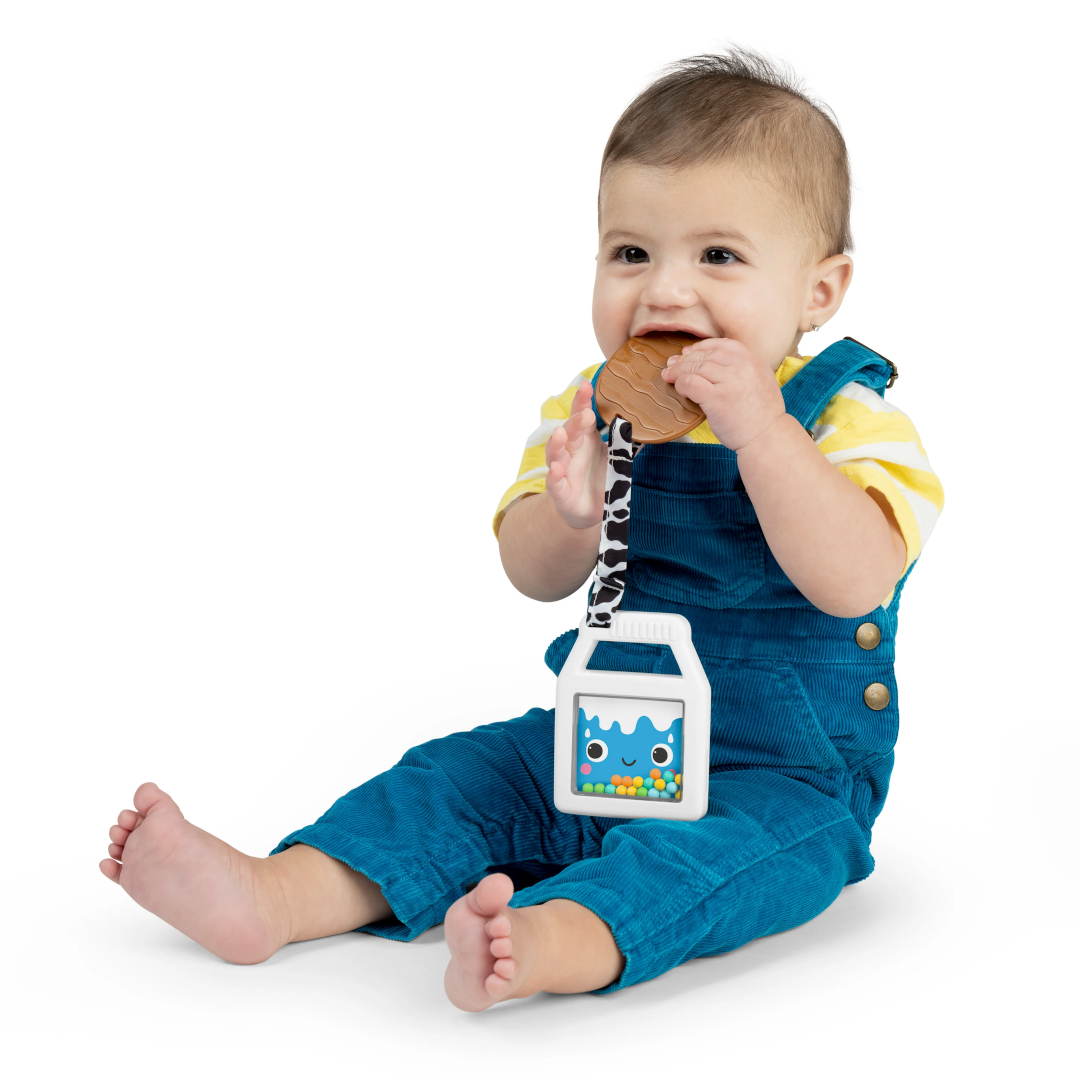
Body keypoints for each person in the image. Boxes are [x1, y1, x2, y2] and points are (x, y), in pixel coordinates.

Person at [99, 50, 943, 1012]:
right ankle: (279, 894)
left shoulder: (848, 420)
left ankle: (548, 939)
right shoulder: (592, 409)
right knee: (461, 780)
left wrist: (764, 434)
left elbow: (854, 579)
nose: (665, 292)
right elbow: (532, 574)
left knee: (721, 864)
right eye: (632, 253)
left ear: (819, 292)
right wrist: (571, 514)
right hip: (611, 734)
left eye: (719, 256)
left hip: (788, 773)